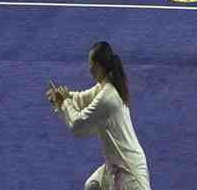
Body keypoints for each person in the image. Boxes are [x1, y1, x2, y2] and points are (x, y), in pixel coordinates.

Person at [47, 42, 151, 190]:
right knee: (92, 185)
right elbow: (81, 99)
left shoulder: (108, 97)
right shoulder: (104, 88)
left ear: (97, 66)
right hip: (115, 166)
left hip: (130, 174)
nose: (88, 68)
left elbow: (78, 125)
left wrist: (66, 103)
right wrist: (62, 97)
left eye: (90, 64)